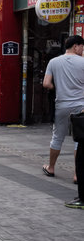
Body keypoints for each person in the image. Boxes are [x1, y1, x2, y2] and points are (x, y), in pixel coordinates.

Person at [42, 35, 84, 182]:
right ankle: (77, 174)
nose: (82, 50)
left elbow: (46, 83)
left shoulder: (53, 62)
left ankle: (51, 168)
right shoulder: (83, 62)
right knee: (80, 140)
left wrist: (57, 88)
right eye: (82, 47)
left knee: (57, 137)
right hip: (81, 106)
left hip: (62, 105)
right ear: (76, 46)